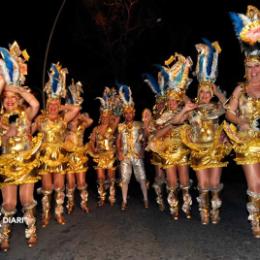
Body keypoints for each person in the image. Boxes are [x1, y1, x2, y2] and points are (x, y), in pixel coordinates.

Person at [179, 39, 231, 224]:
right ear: (199, 93)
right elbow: (178, 118)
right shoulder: (193, 109)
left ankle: (215, 208)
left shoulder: (217, 107)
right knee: (202, 184)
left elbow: (229, 108)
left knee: (214, 184)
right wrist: (184, 105)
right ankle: (204, 211)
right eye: (203, 92)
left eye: (208, 92)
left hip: (216, 149)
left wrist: (217, 92)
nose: (205, 95)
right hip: (199, 150)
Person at [0, 42, 41, 250]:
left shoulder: (25, 114)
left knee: (26, 200)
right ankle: (4, 235)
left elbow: (35, 104)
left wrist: (17, 89)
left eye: (13, 98)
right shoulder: (0, 119)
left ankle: (31, 232)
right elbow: (3, 140)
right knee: (10, 204)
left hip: (26, 161)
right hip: (8, 163)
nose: (10, 100)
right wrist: (9, 133)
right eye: (6, 98)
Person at [225, 5, 260, 238]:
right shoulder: (240, 88)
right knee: (255, 186)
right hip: (247, 141)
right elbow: (228, 112)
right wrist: (240, 121)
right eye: (250, 67)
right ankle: (257, 221)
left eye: (257, 66)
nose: (254, 71)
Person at [148, 53, 194, 220]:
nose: (173, 103)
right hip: (167, 150)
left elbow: (183, 118)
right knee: (172, 182)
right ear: (168, 101)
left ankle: (186, 206)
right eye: (171, 100)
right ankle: (174, 207)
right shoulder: (163, 116)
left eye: (176, 100)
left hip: (182, 149)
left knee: (185, 182)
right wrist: (169, 125)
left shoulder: (186, 113)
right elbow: (158, 134)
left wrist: (184, 105)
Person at [32, 63, 80, 227]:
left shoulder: (63, 119)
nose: (53, 107)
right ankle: (46, 214)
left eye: (55, 105)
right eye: (50, 105)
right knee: (47, 187)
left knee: (59, 186)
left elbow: (76, 109)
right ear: (47, 106)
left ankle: (58, 213)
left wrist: (63, 106)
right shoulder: (40, 119)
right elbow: (29, 131)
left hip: (59, 156)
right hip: (45, 157)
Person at [116, 84, 149, 210]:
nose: (128, 115)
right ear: (124, 114)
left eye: (130, 113)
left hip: (137, 155)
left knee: (142, 178)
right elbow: (118, 140)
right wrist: (119, 151)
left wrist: (143, 150)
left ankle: (145, 199)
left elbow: (144, 139)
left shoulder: (139, 124)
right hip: (125, 155)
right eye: (126, 113)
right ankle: (124, 201)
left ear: (133, 113)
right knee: (124, 179)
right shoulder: (121, 126)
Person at [64, 80, 93, 214]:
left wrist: (79, 113)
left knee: (81, 183)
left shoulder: (82, 125)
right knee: (70, 184)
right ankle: (70, 204)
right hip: (68, 158)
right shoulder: (65, 124)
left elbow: (90, 121)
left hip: (80, 157)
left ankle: (83, 203)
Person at [88, 87, 120, 207]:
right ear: (101, 116)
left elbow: (117, 116)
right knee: (100, 178)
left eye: (107, 115)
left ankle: (112, 196)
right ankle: (102, 197)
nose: (105, 117)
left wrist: (114, 100)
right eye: (103, 115)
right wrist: (93, 148)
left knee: (111, 177)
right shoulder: (96, 129)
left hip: (111, 155)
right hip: (99, 156)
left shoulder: (112, 127)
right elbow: (91, 142)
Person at [143, 67, 168, 211]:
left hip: (170, 148)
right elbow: (147, 137)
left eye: (162, 103)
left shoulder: (169, 116)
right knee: (159, 175)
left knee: (171, 175)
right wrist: (147, 130)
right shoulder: (151, 119)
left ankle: (172, 198)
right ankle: (160, 199)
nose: (159, 105)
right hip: (156, 150)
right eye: (158, 103)